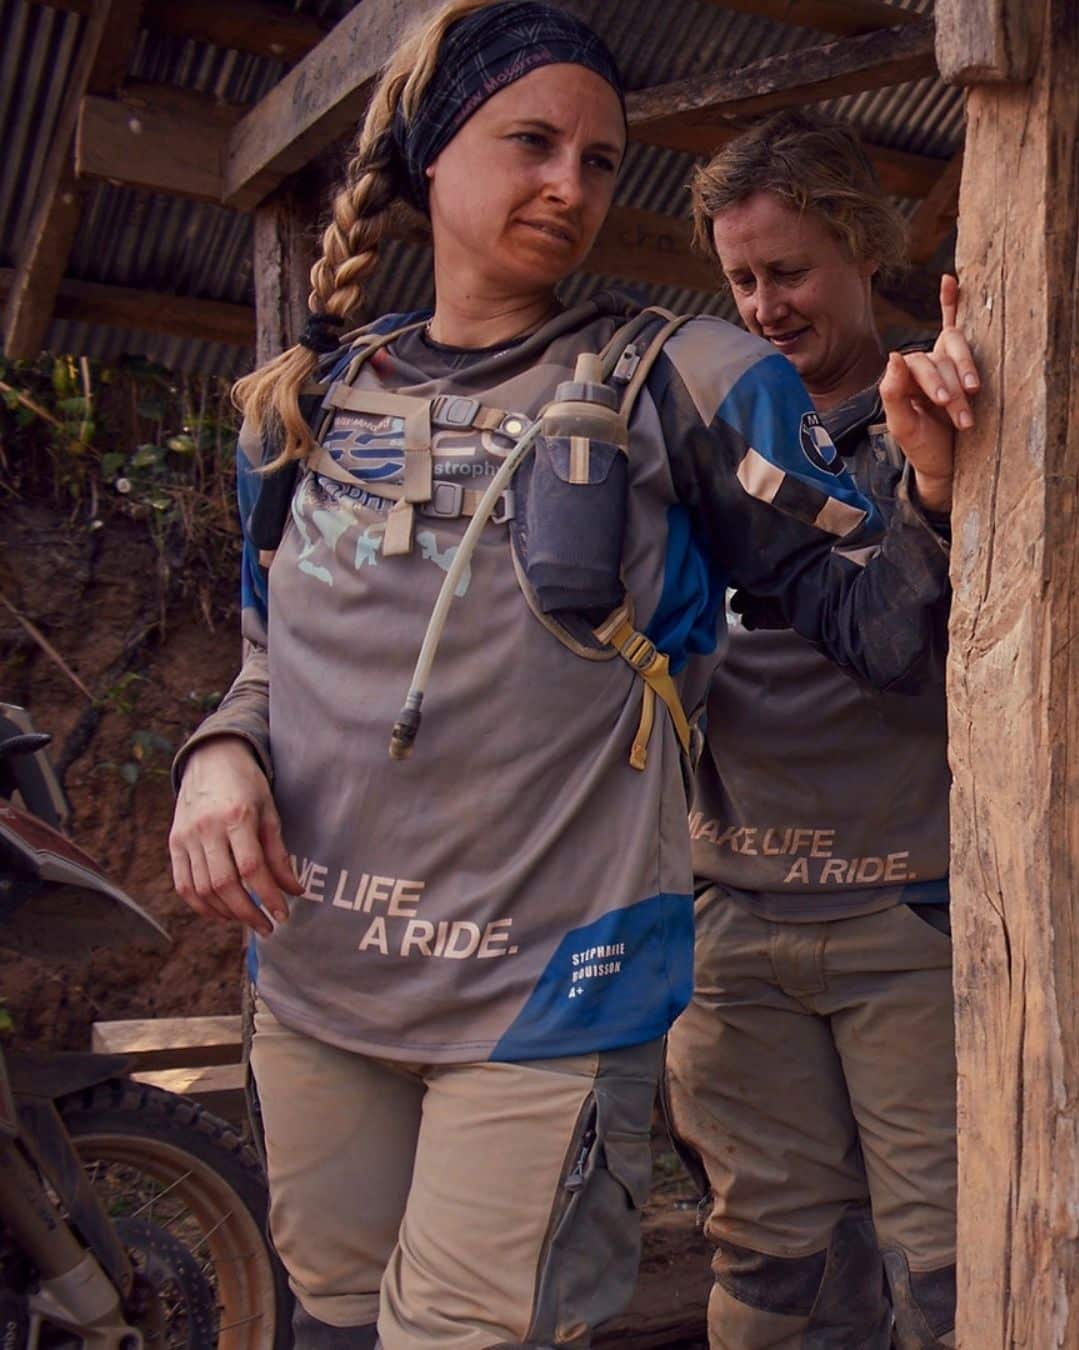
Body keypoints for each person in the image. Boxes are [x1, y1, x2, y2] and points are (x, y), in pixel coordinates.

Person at [163, 6, 956, 1346]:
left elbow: (877, 630)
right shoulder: (299, 406)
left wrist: (930, 490)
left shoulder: (692, 384)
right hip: (314, 987)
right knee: (334, 1319)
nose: (570, 186)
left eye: (598, 161)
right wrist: (219, 755)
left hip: (547, 996)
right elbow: (265, 662)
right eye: (531, 143)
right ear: (431, 155)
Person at [665, 110, 975, 1350]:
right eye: (740, 280)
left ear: (863, 247)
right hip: (735, 915)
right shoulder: (701, 436)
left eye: (787, 271)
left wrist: (939, 481)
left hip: (906, 910)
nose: (762, 308)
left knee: (944, 1274)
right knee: (771, 1270)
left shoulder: (935, 422)